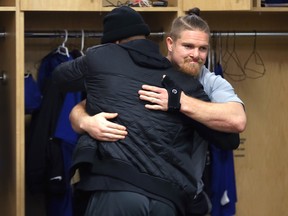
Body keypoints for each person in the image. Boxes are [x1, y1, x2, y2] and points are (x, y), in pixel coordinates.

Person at [53, 6, 240, 216]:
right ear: (167, 43)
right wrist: (83, 118)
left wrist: (180, 102)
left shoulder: (101, 59)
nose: (195, 55)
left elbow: (59, 78)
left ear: (114, 43)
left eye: (202, 49)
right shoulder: (183, 82)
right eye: (188, 46)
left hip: (115, 189)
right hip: (167, 200)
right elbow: (229, 141)